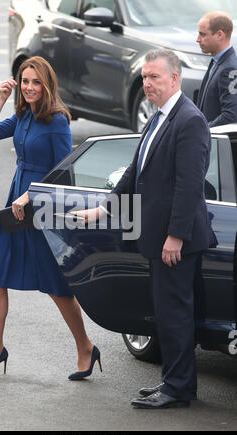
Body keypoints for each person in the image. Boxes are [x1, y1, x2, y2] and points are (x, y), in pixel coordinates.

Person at [73, 49, 215, 409]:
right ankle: (174, 381)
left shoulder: (190, 120)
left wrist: (175, 236)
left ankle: (178, 389)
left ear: (174, 79)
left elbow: (189, 186)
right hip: (157, 237)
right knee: (166, 314)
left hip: (175, 240)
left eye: (154, 77)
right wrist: (102, 210)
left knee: (175, 314)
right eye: (144, 77)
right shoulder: (158, 118)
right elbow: (134, 172)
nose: (147, 83)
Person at [0, 56, 101, 381]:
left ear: (46, 85)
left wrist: (30, 195)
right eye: (25, 81)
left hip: (40, 207)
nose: (29, 88)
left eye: (35, 82)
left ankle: (85, 347)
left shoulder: (57, 121)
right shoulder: (22, 114)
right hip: (15, 205)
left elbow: (62, 171)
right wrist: (1, 99)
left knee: (56, 286)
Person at [196, 11, 237, 127]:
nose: (198, 39)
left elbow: (231, 116)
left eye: (202, 34)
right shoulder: (217, 61)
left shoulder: (230, 69)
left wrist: (203, 130)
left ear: (219, 35)